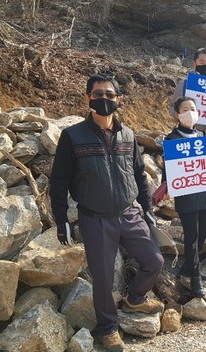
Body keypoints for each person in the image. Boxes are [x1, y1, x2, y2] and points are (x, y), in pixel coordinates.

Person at [49, 73, 164, 352]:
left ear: (118, 99)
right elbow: (59, 180)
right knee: (102, 279)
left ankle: (135, 298)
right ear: (88, 98)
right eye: (98, 94)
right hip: (95, 217)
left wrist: (147, 210)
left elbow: (139, 175)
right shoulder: (72, 136)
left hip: (129, 213)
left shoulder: (128, 134)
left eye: (109, 95)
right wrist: (61, 219)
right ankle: (108, 329)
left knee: (154, 260)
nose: (104, 99)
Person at [163, 97, 206, 297]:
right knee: (191, 236)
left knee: (202, 235)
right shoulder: (172, 138)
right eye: (185, 109)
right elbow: (169, 166)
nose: (189, 112)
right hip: (185, 194)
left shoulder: (202, 135)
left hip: (204, 193)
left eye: (193, 108)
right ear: (177, 114)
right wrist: (167, 185)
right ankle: (195, 278)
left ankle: (188, 268)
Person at [169, 47, 206, 227]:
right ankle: (190, 213)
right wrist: (182, 116)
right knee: (193, 174)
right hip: (189, 134)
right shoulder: (184, 84)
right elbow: (171, 108)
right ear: (194, 64)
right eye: (202, 63)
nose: (205, 66)